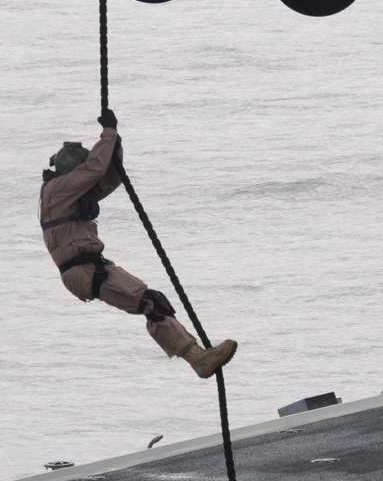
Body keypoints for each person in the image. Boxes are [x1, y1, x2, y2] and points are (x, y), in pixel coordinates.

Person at [40, 110, 237, 378]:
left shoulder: (69, 193)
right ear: (75, 172)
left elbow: (109, 178)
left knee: (152, 301)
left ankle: (198, 355)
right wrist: (108, 133)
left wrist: (115, 146)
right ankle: (197, 359)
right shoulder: (58, 190)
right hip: (82, 270)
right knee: (148, 303)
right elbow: (95, 169)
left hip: (88, 267)